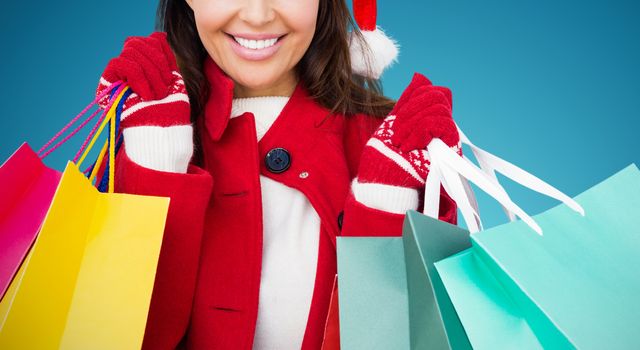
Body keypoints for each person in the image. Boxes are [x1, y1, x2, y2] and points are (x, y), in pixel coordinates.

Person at [96, 0, 460, 348]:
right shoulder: (150, 122)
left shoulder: (394, 146)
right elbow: (112, 335)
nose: (257, 15)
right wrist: (157, 161)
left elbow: (421, 335)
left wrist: (386, 202)